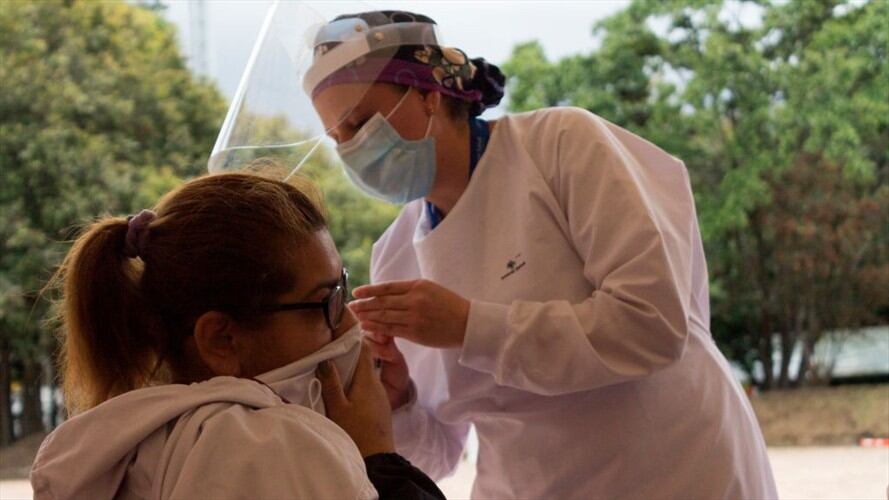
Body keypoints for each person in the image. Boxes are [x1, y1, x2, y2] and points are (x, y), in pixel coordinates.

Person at [304, 10, 779, 499]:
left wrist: (470, 326)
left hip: (674, 470)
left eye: (361, 123)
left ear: (429, 92)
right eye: (338, 137)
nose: (353, 150)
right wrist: (399, 403)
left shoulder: (562, 147)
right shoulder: (396, 255)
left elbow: (652, 325)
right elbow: (441, 456)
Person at [30, 173, 445, 500]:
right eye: (327, 302)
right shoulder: (266, 448)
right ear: (222, 340)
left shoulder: (137, 444)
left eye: (344, 288)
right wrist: (377, 457)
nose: (350, 326)